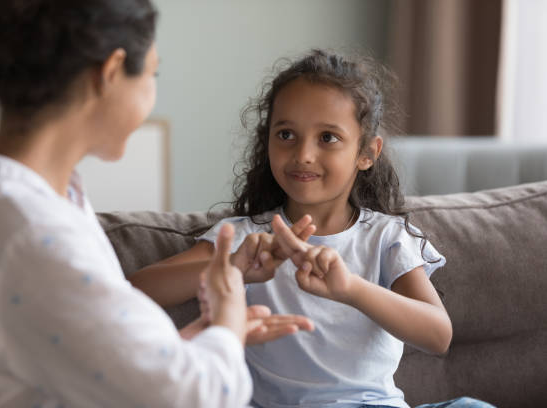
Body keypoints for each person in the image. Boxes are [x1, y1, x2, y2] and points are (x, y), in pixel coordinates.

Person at [0, 1, 313, 407]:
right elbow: (197, 397)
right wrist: (228, 313)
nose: (153, 92)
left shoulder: (6, 199)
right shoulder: (33, 236)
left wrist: (205, 339)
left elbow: (82, 359)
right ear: (110, 72)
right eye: (153, 73)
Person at [132, 50, 495, 408]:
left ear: (367, 152)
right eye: (286, 134)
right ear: (267, 141)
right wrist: (230, 267)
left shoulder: (386, 238)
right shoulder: (244, 238)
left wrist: (351, 288)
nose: (303, 154)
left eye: (327, 138)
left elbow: (438, 335)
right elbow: (136, 290)